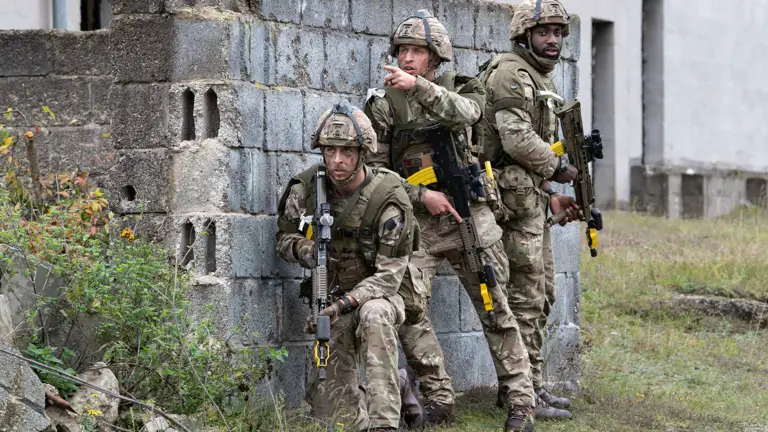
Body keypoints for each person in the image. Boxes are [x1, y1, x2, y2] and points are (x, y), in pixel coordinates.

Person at [365, 10, 542, 432]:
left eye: (417, 52)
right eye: (403, 51)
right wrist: (421, 195)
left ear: (435, 56)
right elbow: (376, 173)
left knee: (496, 308)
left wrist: (420, 88)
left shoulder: (463, 87)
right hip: (420, 223)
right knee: (407, 306)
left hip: (470, 218)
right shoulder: (383, 105)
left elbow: (466, 114)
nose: (407, 59)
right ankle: (439, 399)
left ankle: (521, 402)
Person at [275, 100, 420, 431]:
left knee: (375, 316)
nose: (337, 160)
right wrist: (305, 249)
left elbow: (389, 278)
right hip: (332, 301)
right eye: (329, 151)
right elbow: (282, 240)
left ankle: (384, 423)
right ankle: (395, 384)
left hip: (379, 297)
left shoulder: (387, 196)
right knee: (334, 417)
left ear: (363, 152)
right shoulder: (306, 188)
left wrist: (345, 304)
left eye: (347, 151)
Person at [477, 0, 581, 421]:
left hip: (533, 198)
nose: (552, 40)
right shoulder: (512, 74)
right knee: (526, 296)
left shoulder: (537, 76)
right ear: (524, 36)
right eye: (544, 33)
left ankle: (532, 385)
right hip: (514, 201)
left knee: (543, 295)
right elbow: (516, 140)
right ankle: (523, 392)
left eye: (557, 33)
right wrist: (559, 168)